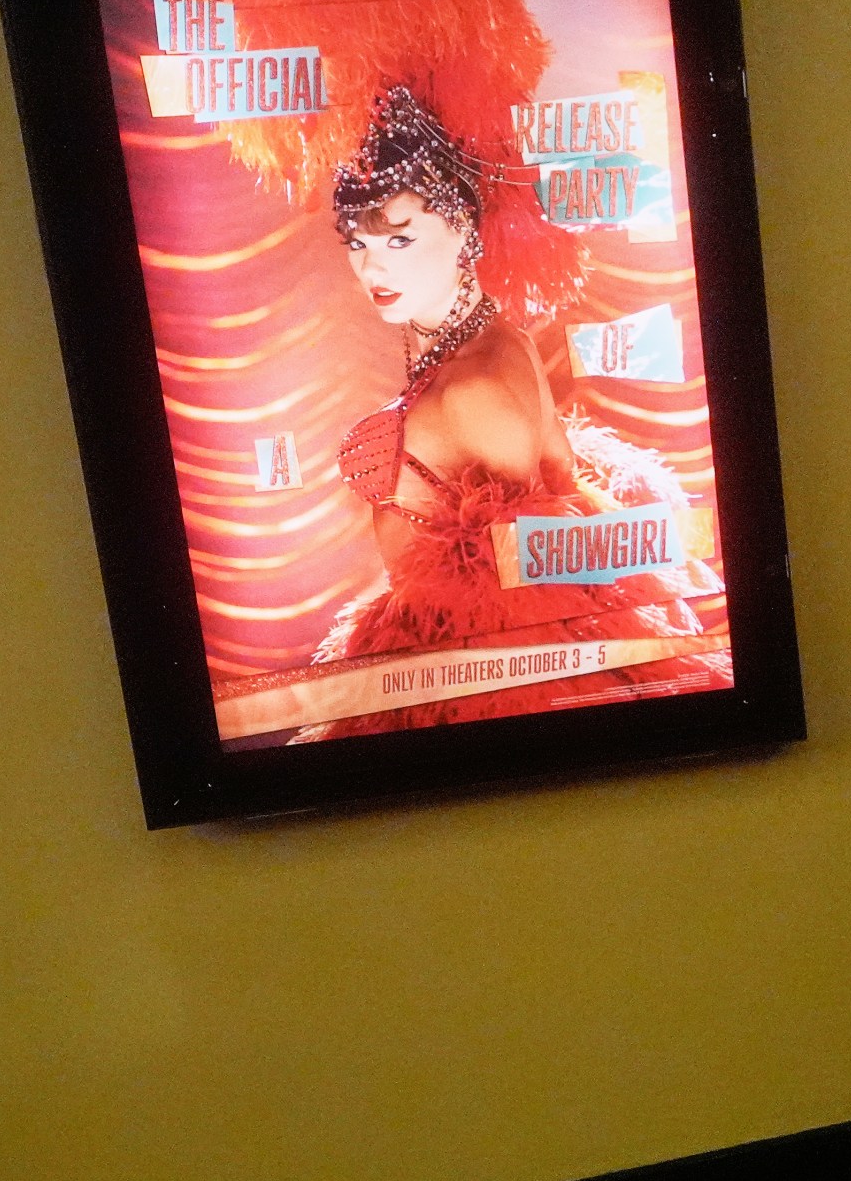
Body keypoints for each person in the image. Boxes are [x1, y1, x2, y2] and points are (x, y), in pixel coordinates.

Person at [294, 84, 732, 740]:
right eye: (357, 243)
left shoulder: (471, 390)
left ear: (465, 230)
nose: (371, 267)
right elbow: (562, 485)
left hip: (463, 687)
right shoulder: (501, 339)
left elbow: (526, 595)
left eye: (399, 240)